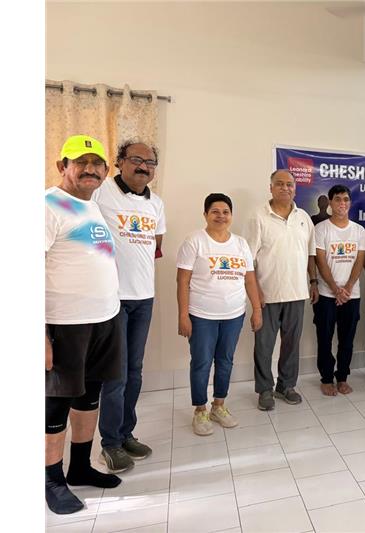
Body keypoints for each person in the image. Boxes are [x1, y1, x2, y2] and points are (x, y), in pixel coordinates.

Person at [45, 135, 124, 514]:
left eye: (97, 164)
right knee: (56, 405)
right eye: (81, 162)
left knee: (89, 398)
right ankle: (51, 480)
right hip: (65, 325)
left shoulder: (91, 206)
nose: (90, 169)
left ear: (105, 171)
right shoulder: (48, 205)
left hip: (104, 321)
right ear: (63, 166)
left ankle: (79, 467)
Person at [94, 140, 166, 473]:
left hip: (144, 298)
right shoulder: (101, 193)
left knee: (134, 371)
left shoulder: (156, 203)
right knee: (116, 375)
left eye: (150, 162)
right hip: (113, 299)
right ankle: (109, 443)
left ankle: (125, 434)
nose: (143, 166)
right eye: (136, 159)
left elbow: (155, 245)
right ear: (119, 161)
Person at [177, 194, 262, 435]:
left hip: (234, 315)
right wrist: (183, 315)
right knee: (202, 362)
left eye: (226, 212)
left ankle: (219, 406)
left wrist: (257, 309)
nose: (221, 216)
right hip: (201, 315)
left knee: (225, 361)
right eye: (215, 211)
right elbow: (182, 281)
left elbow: (250, 280)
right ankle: (200, 410)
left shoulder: (241, 244)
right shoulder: (195, 241)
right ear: (205, 214)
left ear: (231, 216)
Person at [244, 170, 318, 410]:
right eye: (280, 184)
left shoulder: (303, 217)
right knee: (264, 346)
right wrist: (256, 292)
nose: (285, 188)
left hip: (297, 293)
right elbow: (248, 260)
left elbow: (311, 254)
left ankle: (286, 386)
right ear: (271, 187)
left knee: (291, 345)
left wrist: (313, 282)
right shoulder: (258, 216)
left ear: (295, 188)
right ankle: (264, 389)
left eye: (289, 184)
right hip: (267, 295)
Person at [313, 185, 365, 396]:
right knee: (324, 339)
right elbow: (320, 261)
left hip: (351, 295)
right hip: (327, 295)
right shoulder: (321, 229)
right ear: (330, 202)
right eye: (337, 199)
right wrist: (336, 289)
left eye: (346, 199)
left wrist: (348, 288)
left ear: (350, 203)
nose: (342, 203)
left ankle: (342, 377)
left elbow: (360, 260)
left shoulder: (358, 230)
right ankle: (326, 378)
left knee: (347, 340)